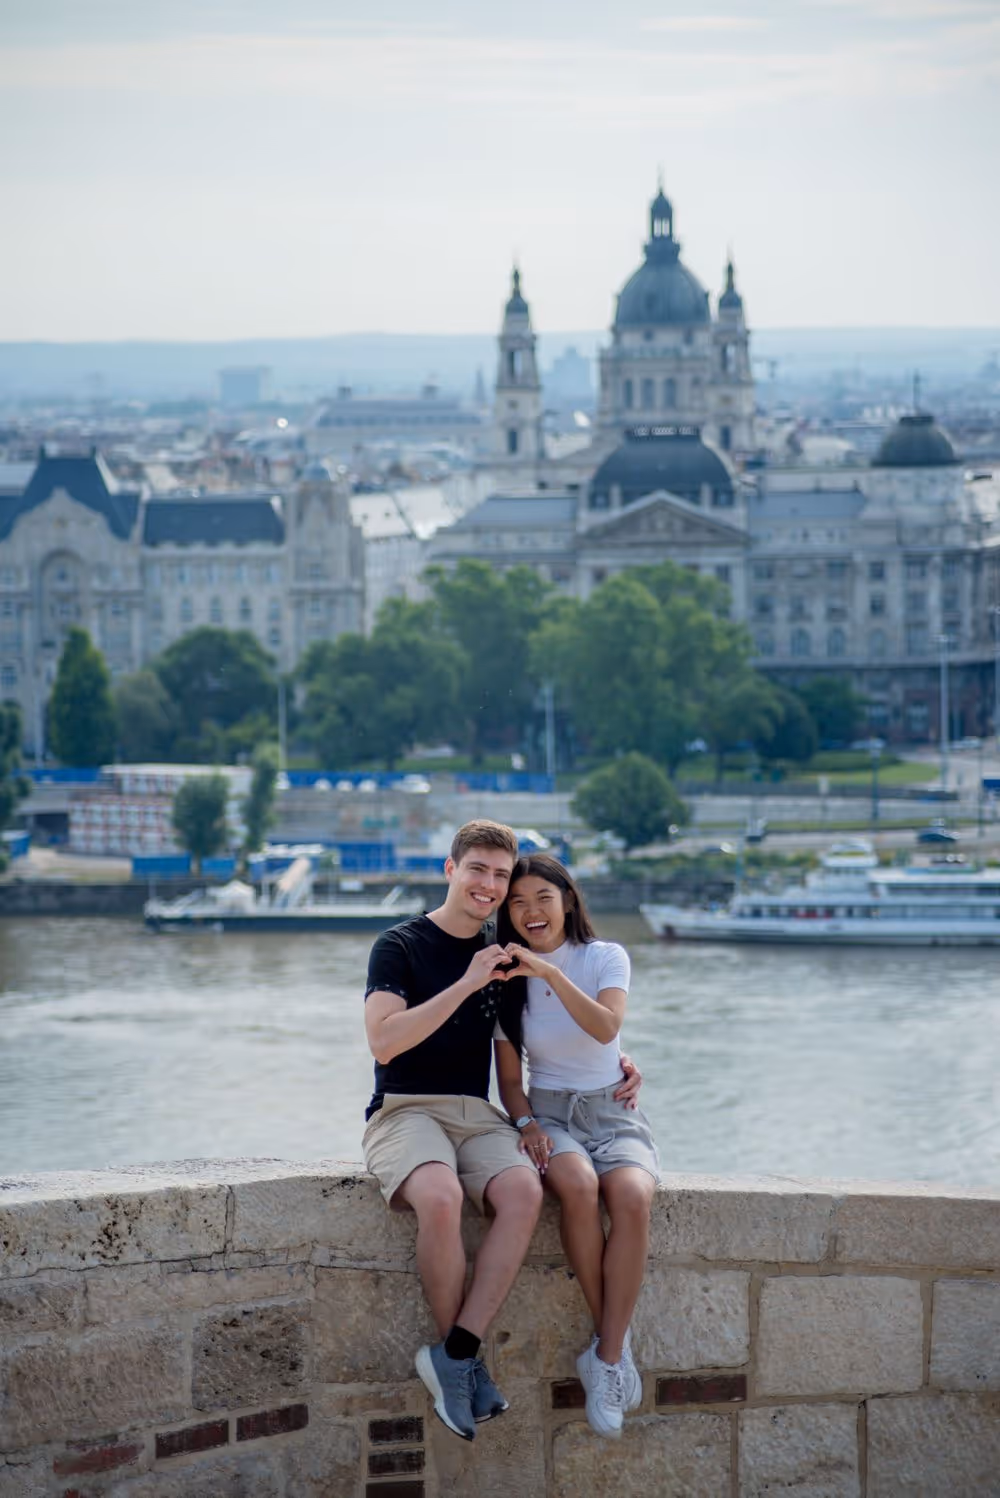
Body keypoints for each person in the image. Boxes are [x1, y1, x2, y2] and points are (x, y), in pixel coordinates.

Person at [362, 819, 542, 1443]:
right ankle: (465, 1369)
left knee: (524, 1192)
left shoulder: (505, 948)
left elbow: (534, 1038)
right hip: (405, 1108)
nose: (489, 886)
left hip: (476, 1112)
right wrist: (467, 983)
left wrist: (617, 1064)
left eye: (500, 875)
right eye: (478, 871)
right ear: (450, 869)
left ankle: (457, 1355)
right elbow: (384, 1042)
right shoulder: (399, 945)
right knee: (440, 1198)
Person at [495, 852, 659, 1440]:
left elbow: (606, 1028)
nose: (531, 911)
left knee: (634, 1199)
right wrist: (526, 1126)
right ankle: (612, 1348)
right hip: (551, 1114)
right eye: (517, 902)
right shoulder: (504, 981)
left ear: (567, 899)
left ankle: (606, 1355)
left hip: (614, 1111)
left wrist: (550, 973)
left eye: (542, 896)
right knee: (578, 1187)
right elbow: (511, 1082)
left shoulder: (605, 957)